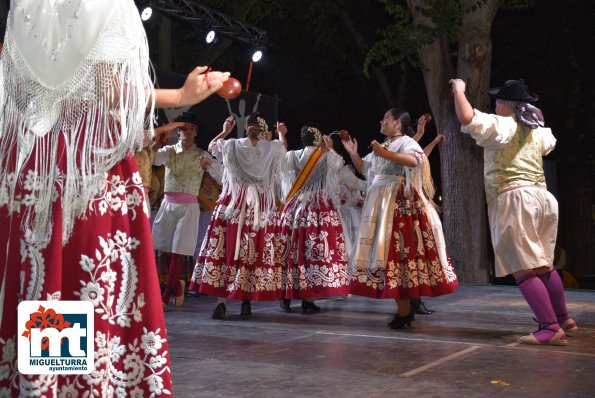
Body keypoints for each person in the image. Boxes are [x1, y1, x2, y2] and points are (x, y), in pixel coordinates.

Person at [0, 1, 229, 395]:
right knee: (77, 279)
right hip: (87, 170)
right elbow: (109, 91)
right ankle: (71, 384)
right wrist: (181, 95)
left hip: (30, 168)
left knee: (45, 277)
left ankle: (42, 383)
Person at [450, 78, 577, 345]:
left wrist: (459, 90)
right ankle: (563, 317)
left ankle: (550, 327)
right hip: (543, 199)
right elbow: (549, 144)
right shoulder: (537, 130)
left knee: (523, 268)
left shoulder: (504, 125)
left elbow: (467, 116)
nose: (495, 105)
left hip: (515, 199)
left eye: (498, 101)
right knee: (543, 265)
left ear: (504, 105)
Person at [342, 109, 458, 329]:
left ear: (397, 124)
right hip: (381, 205)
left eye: (386, 117)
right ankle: (405, 310)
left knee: (396, 255)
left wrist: (385, 155)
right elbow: (363, 169)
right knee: (388, 257)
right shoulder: (383, 146)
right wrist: (352, 152)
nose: (381, 120)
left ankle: (405, 311)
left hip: (395, 205)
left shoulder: (405, 142)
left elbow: (414, 160)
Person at [189, 113, 288, 319]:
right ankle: (246, 301)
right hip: (259, 209)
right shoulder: (272, 148)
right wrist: (280, 134)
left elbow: (211, 147)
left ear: (245, 128)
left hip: (233, 205)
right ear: (263, 131)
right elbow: (283, 148)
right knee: (252, 253)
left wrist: (225, 130)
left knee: (227, 251)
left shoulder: (231, 145)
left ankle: (221, 303)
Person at [151, 112, 223, 308]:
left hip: (189, 206)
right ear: (178, 131)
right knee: (164, 247)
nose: (187, 131)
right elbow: (154, 159)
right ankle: (176, 286)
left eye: (191, 128)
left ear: (196, 133)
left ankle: (166, 295)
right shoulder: (169, 150)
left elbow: (222, 175)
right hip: (168, 203)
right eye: (184, 128)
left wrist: (209, 167)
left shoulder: (202, 154)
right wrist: (157, 143)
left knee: (179, 250)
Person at [278, 125, 351, 313]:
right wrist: (330, 147)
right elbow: (340, 163)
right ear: (319, 140)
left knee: (293, 250)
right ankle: (308, 299)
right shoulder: (327, 156)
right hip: (319, 207)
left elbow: (281, 161)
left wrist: (281, 135)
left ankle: (286, 294)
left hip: (295, 207)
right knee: (313, 252)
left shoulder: (293, 156)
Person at [410, 112, 448, 316]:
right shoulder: (397, 156)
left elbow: (421, 155)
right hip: (409, 207)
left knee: (419, 254)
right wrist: (423, 135)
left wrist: (431, 140)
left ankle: (413, 300)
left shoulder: (413, 156)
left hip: (417, 206)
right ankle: (411, 300)